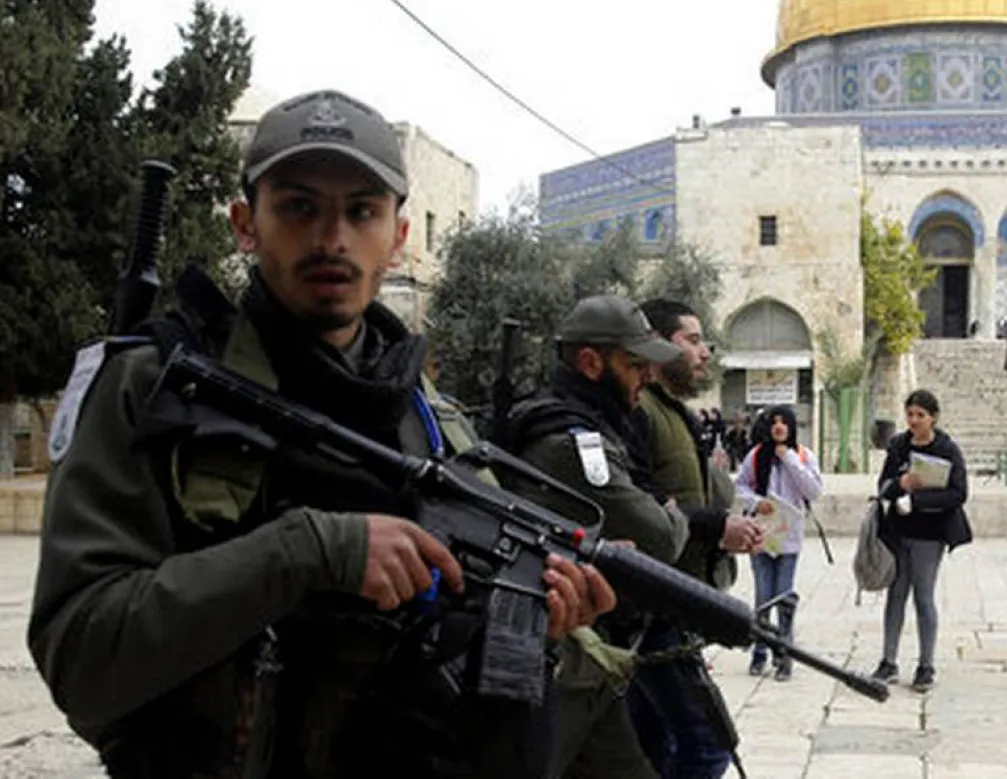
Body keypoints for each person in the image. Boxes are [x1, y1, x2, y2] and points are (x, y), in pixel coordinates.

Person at [26, 89, 615, 779]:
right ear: (246, 224)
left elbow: (463, 636)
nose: (331, 238)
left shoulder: (428, 417)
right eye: (299, 206)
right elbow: (81, 657)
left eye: (361, 210)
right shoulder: (155, 386)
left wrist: (541, 620)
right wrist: (309, 550)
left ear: (398, 238)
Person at [501, 294, 693, 779]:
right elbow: (659, 537)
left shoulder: (602, 425)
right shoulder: (573, 440)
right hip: (558, 660)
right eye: (634, 366)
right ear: (590, 362)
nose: (646, 378)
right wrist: (673, 512)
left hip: (591, 660)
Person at [630, 298, 762, 779]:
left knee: (654, 741)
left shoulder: (673, 412)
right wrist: (713, 526)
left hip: (679, 600)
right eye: (691, 340)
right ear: (658, 344)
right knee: (706, 746)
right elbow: (640, 506)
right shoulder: (641, 411)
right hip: (653, 605)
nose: (705, 351)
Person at [870, 390, 973, 693]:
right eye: (910, 414)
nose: (914, 421)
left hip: (930, 533)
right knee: (895, 595)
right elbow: (883, 485)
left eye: (920, 415)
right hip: (898, 531)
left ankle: (926, 664)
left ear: (934, 417)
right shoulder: (899, 446)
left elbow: (958, 492)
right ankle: (888, 660)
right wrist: (899, 484)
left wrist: (918, 499)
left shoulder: (947, 449)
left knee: (923, 596)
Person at [735, 405, 824, 680]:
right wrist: (755, 501)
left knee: (784, 597)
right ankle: (759, 652)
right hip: (763, 535)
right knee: (764, 596)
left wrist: (790, 460)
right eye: (774, 422)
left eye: (784, 422)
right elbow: (741, 485)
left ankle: (784, 654)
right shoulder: (757, 455)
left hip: (789, 537)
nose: (778, 427)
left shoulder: (802, 455)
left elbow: (814, 490)